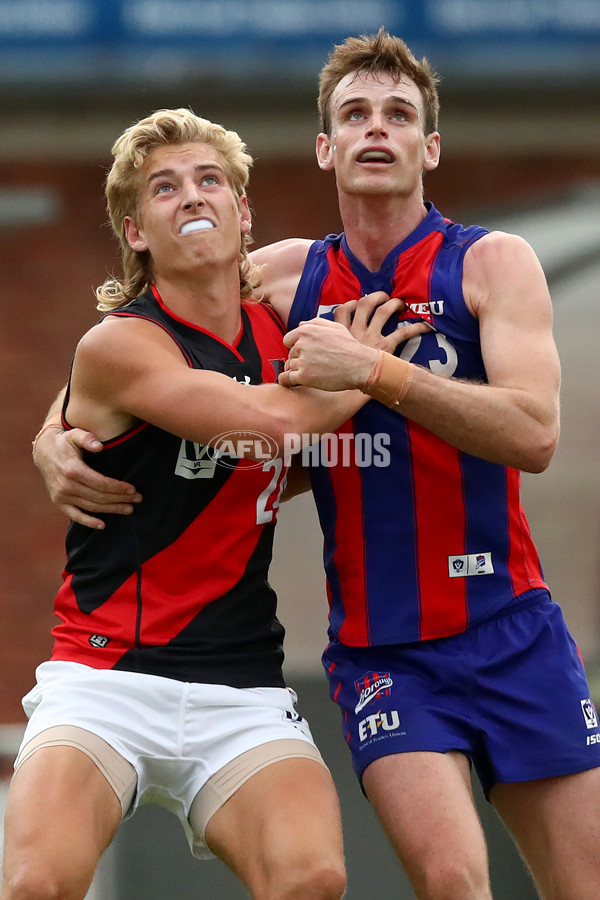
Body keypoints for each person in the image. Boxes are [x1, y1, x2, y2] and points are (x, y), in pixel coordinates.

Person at [32, 31, 600, 900]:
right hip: (385, 649)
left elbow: (535, 436)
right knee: (453, 883)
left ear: (429, 146)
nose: (378, 130)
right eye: (355, 115)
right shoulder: (291, 275)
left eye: (400, 115)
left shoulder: (491, 262)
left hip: (513, 625)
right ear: (326, 147)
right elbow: (154, 326)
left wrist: (376, 371)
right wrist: (54, 432)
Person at [2, 107, 411, 900]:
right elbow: (269, 419)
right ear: (137, 231)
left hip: (239, 683)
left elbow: (271, 451)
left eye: (209, 179)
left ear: (244, 211)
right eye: (164, 187)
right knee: (37, 885)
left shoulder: (283, 323)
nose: (192, 195)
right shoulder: (119, 343)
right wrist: (365, 374)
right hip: (105, 675)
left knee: (313, 879)